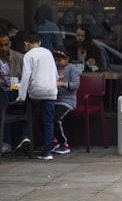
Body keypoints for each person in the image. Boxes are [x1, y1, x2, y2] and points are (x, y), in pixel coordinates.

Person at [16, 32, 59, 160]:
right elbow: (55, 74)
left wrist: (21, 96)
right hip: (51, 91)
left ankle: (25, 136)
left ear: (26, 44)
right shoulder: (48, 53)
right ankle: (47, 152)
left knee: (30, 114)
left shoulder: (28, 55)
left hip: (35, 91)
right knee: (48, 121)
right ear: (39, 42)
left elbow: (25, 78)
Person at [52, 48, 80, 155]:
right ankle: (54, 141)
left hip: (67, 101)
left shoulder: (72, 69)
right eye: (56, 60)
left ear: (67, 59)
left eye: (60, 60)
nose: (58, 62)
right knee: (44, 117)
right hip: (55, 99)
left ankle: (64, 143)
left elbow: (75, 85)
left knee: (56, 119)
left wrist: (63, 84)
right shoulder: (55, 68)